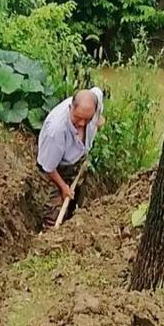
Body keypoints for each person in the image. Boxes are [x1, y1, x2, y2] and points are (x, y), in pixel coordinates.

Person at [37, 88, 105, 228]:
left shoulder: (95, 99)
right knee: (53, 213)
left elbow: (97, 95)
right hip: (55, 168)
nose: (82, 123)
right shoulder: (56, 131)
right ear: (71, 108)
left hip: (77, 157)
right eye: (78, 118)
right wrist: (63, 187)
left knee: (78, 195)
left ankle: (72, 215)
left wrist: (97, 119)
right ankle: (49, 233)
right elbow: (49, 168)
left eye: (87, 119)